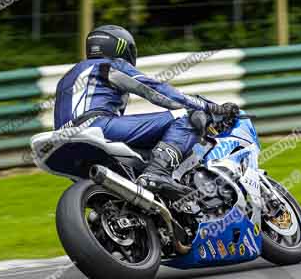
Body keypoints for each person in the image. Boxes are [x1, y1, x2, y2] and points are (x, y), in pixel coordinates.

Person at [53, 25, 237, 195]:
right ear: (121, 48)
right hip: (96, 126)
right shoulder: (109, 65)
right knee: (185, 116)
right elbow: (156, 91)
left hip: (62, 141)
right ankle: (158, 173)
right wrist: (208, 106)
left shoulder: (67, 77)